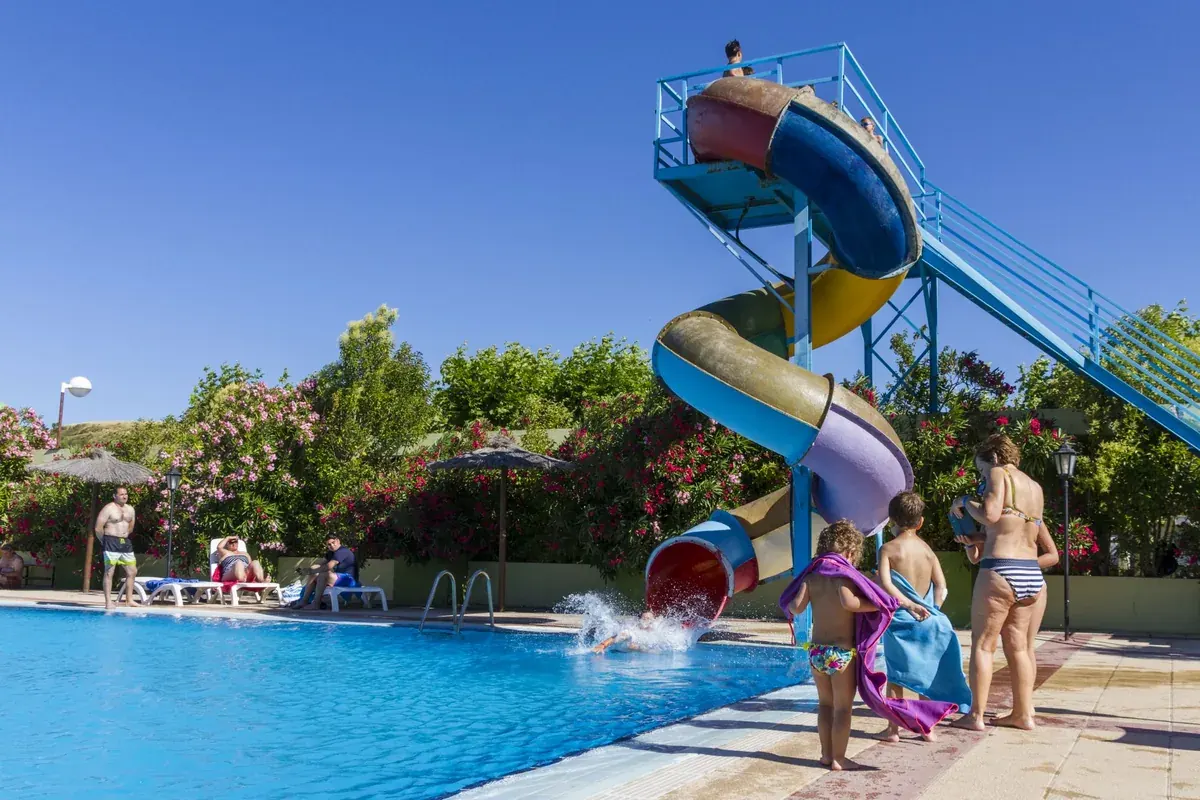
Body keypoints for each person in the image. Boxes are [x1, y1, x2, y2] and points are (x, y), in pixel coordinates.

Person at [950, 433, 1056, 731]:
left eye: (981, 470)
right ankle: (1023, 714)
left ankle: (975, 716)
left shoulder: (999, 473)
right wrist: (977, 538)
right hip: (1030, 573)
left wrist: (963, 501)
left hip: (1000, 570)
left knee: (983, 646)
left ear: (993, 458)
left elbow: (990, 514)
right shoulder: (1035, 487)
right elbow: (1018, 528)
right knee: (1019, 648)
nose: (982, 476)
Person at [877, 492, 972, 742]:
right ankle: (927, 728)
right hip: (929, 619)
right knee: (927, 676)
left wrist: (908, 605)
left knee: (895, 674)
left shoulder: (888, 549)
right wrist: (933, 608)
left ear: (891, 520)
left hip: (899, 620)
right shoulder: (928, 552)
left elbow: (886, 584)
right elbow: (942, 586)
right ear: (920, 522)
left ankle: (893, 730)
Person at [786, 520, 879, 771]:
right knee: (843, 709)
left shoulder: (812, 576)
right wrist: (878, 605)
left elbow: (796, 607)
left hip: (817, 652)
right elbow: (849, 604)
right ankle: (839, 758)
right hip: (841, 654)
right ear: (850, 552)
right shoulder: (844, 577)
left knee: (825, 705)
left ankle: (826, 755)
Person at [96, 486, 137, 610]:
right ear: (115, 496)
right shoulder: (108, 508)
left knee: (132, 571)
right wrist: (104, 541)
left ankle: (129, 600)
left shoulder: (130, 509)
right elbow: (98, 528)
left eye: (126, 494)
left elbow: (131, 526)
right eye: (121, 494)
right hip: (110, 541)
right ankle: (108, 602)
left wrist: (124, 536)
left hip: (124, 541)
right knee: (109, 572)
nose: (124, 496)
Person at [291, 533, 356, 610]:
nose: (331, 545)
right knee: (315, 570)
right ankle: (304, 600)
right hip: (337, 577)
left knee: (323, 574)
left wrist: (311, 571)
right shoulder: (330, 553)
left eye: (333, 543)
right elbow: (320, 564)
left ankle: (316, 603)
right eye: (329, 544)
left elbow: (328, 566)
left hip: (348, 579)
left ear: (338, 541)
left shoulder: (343, 551)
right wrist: (309, 569)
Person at [592, 611, 657, 653]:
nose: (647, 621)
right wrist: (602, 645)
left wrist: (638, 648)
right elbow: (614, 637)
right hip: (617, 650)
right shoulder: (632, 632)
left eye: (649, 619)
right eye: (644, 619)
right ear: (640, 621)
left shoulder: (655, 633)